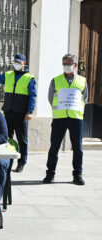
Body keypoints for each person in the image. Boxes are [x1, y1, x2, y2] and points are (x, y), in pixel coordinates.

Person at [43, 54, 88, 185]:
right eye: (64, 64)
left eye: (69, 64)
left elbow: (85, 98)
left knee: (78, 148)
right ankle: (50, 174)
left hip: (76, 118)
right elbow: (51, 98)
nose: (66, 67)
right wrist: (59, 108)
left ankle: (77, 175)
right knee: (54, 147)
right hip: (59, 118)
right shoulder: (55, 80)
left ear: (75, 65)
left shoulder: (82, 80)